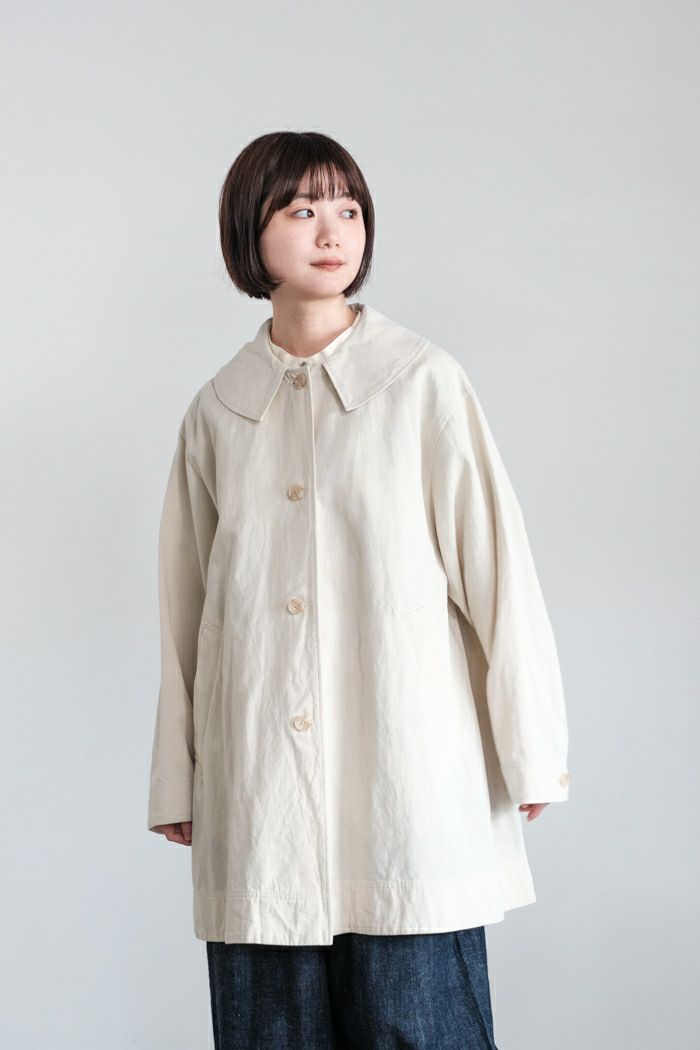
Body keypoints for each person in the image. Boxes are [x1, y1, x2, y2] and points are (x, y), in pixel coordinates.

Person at [147, 130, 571, 1049]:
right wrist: (178, 775)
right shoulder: (218, 410)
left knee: (420, 1027)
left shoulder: (422, 384)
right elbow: (187, 615)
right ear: (249, 232)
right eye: (301, 209)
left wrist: (530, 745)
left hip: (407, 788)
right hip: (259, 791)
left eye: (348, 209)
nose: (331, 231)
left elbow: (499, 572)